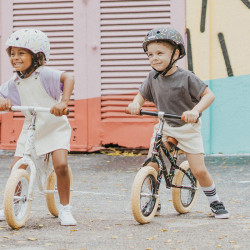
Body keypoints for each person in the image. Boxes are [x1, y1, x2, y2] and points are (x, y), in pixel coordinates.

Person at [127, 26, 229, 219]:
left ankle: (215, 201)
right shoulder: (152, 77)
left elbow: (209, 95)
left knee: (198, 169)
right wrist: (135, 104)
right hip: (165, 126)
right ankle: (152, 198)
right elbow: (141, 95)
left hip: (188, 128)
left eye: (160, 53)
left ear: (175, 54)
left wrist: (195, 111)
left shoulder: (186, 77)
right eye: (150, 54)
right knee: (151, 163)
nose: (154, 58)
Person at [0, 28, 76, 226]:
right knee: (18, 166)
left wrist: (63, 102)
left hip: (54, 125)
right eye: (12, 54)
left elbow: (68, 77)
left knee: (60, 165)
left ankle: (65, 208)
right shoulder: (15, 81)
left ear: (36, 55)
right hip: (31, 127)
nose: (15, 58)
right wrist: (3, 102)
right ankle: (13, 203)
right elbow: (1, 94)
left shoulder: (44, 74)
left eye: (21, 53)